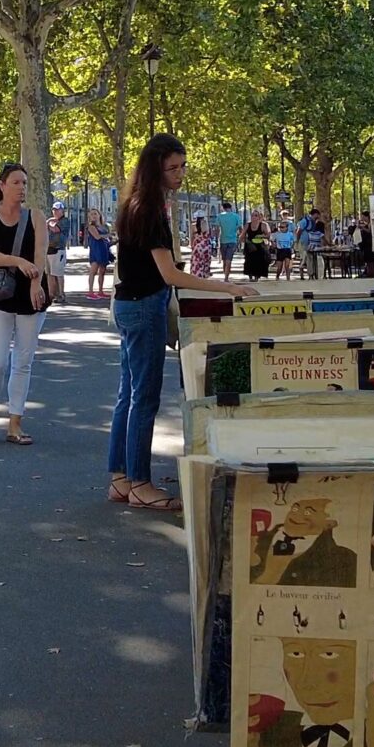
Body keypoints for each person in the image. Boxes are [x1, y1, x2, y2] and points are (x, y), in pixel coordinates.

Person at [107, 134, 251, 511]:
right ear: (156, 169)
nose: (180, 174)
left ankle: (121, 477)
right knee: (145, 397)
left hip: (127, 303)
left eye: (183, 166)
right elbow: (170, 274)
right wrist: (227, 287)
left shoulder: (133, 204)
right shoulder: (151, 211)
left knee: (128, 394)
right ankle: (140, 482)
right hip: (145, 306)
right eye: (173, 168)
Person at [0, 163, 49, 447]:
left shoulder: (36, 217)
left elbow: (40, 252)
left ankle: (15, 422)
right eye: (16, 182)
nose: (21, 188)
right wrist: (18, 261)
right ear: (2, 185)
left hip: (30, 293)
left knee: (23, 362)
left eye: (24, 183)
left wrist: (34, 282)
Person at [82, 210, 113, 298]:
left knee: (102, 271)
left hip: (104, 249)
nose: (94, 216)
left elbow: (108, 240)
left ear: (99, 215)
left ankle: (100, 290)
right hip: (96, 250)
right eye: (91, 214)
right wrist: (109, 235)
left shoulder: (105, 227)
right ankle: (90, 291)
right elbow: (97, 237)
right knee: (93, 270)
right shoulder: (91, 227)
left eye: (95, 213)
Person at [216, 200, 244, 279]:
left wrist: (216, 238)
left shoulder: (219, 216)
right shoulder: (236, 216)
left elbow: (217, 229)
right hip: (232, 240)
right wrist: (241, 238)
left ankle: (225, 273)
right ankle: (226, 277)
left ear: (223, 208)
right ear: (230, 208)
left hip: (223, 240)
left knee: (224, 259)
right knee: (229, 260)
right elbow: (240, 228)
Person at [243, 211, 273, 282]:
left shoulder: (263, 225)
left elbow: (268, 235)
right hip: (249, 245)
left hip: (259, 245)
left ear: (259, 217)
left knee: (259, 261)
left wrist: (261, 236)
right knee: (249, 260)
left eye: (256, 215)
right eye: (252, 215)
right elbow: (243, 234)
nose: (254, 217)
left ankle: (256, 276)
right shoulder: (248, 225)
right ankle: (250, 276)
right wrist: (242, 241)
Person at [188, 213, 214, 277]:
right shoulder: (206, 225)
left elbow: (191, 238)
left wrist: (191, 246)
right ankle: (205, 274)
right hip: (206, 247)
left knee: (196, 262)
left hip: (197, 247)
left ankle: (196, 275)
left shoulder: (193, 226)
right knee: (206, 262)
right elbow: (210, 235)